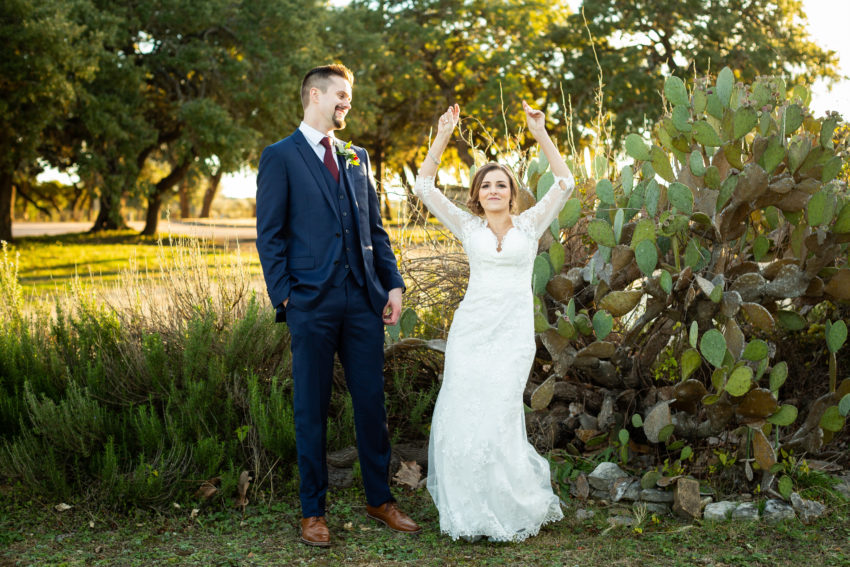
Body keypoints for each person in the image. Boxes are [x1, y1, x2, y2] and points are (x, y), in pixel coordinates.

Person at [255, 64, 421, 547]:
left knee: (371, 403)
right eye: (342, 95)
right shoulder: (279, 156)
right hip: (310, 302)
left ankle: (379, 498)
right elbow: (269, 235)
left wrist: (393, 283)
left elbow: (374, 228)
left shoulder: (356, 156)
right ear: (314, 94)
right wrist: (285, 293)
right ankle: (313, 511)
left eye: (350, 96)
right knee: (311, 407)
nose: (348, 103)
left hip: (362, 299)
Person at [416, 101, 575, 542]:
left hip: (513, 336)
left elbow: (565, 182)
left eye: (501, 185)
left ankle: (507, 503)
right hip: (471, 332)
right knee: (464, 415)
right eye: (486, 186)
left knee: (501, 416)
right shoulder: (468, 228)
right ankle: (469, 511)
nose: (493, 191)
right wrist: (444, 134)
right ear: (476, 194)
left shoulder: (529, 226)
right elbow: (425, 185)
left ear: (512, 192)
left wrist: (540, 132)